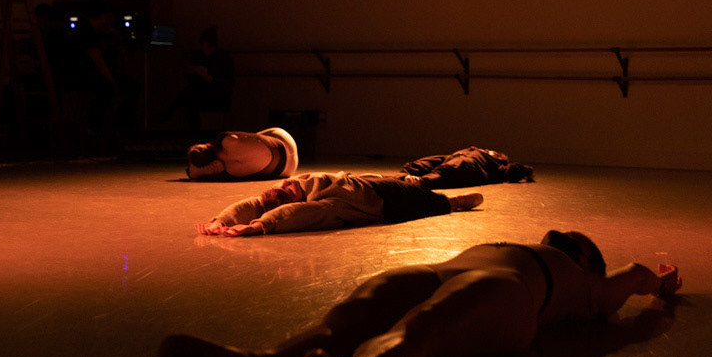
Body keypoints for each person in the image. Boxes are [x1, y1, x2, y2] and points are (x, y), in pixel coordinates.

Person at [159, 230, 682, 357]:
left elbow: (636, 277)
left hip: (514, 291)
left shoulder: (589, 286)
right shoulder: (533, 248)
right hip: (444, 270)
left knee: (424, 328)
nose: (557, 237)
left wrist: (663, 284)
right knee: (353, 315)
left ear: (588, 261)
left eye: (569, 241)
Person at [197, 171, 482, 236]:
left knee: (423, 191)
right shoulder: (326, 204)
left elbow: (257, 202)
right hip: (387, 203)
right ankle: (451, 202)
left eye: (283, 185)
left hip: (376, 186)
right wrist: (255, 225)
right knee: (429, 203)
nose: (287, 183)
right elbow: (293, 214)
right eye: (288, 188)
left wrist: (223, 221)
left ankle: (449, 200)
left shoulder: (304, 183)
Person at [160, 26, 235, 128]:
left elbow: (226, 82)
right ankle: (190, 126)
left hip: (217, 94)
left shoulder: (222, 59)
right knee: (190, 94)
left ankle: (171, 113)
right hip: (202, 92)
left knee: (189, 95)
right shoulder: (200, 56)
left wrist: (209, 78)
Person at [186, 126, 299, 181]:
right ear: (208, 145)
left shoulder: (227, 173)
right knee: (255, 136)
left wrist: (207, 170)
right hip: (285, 139)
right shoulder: (225, 139)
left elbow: (192, 173)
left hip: (287, 169)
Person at [400, 146, 535, 188]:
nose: (487, 149)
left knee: (448, 170)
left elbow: (516, 169)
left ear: (499, 157)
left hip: (470, 165)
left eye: (490, 151)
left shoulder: (497, 164)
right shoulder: (473, 150)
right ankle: (398, 178)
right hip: (451, 157)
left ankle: (420, 182)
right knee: (418, 165)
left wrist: (527, 171)